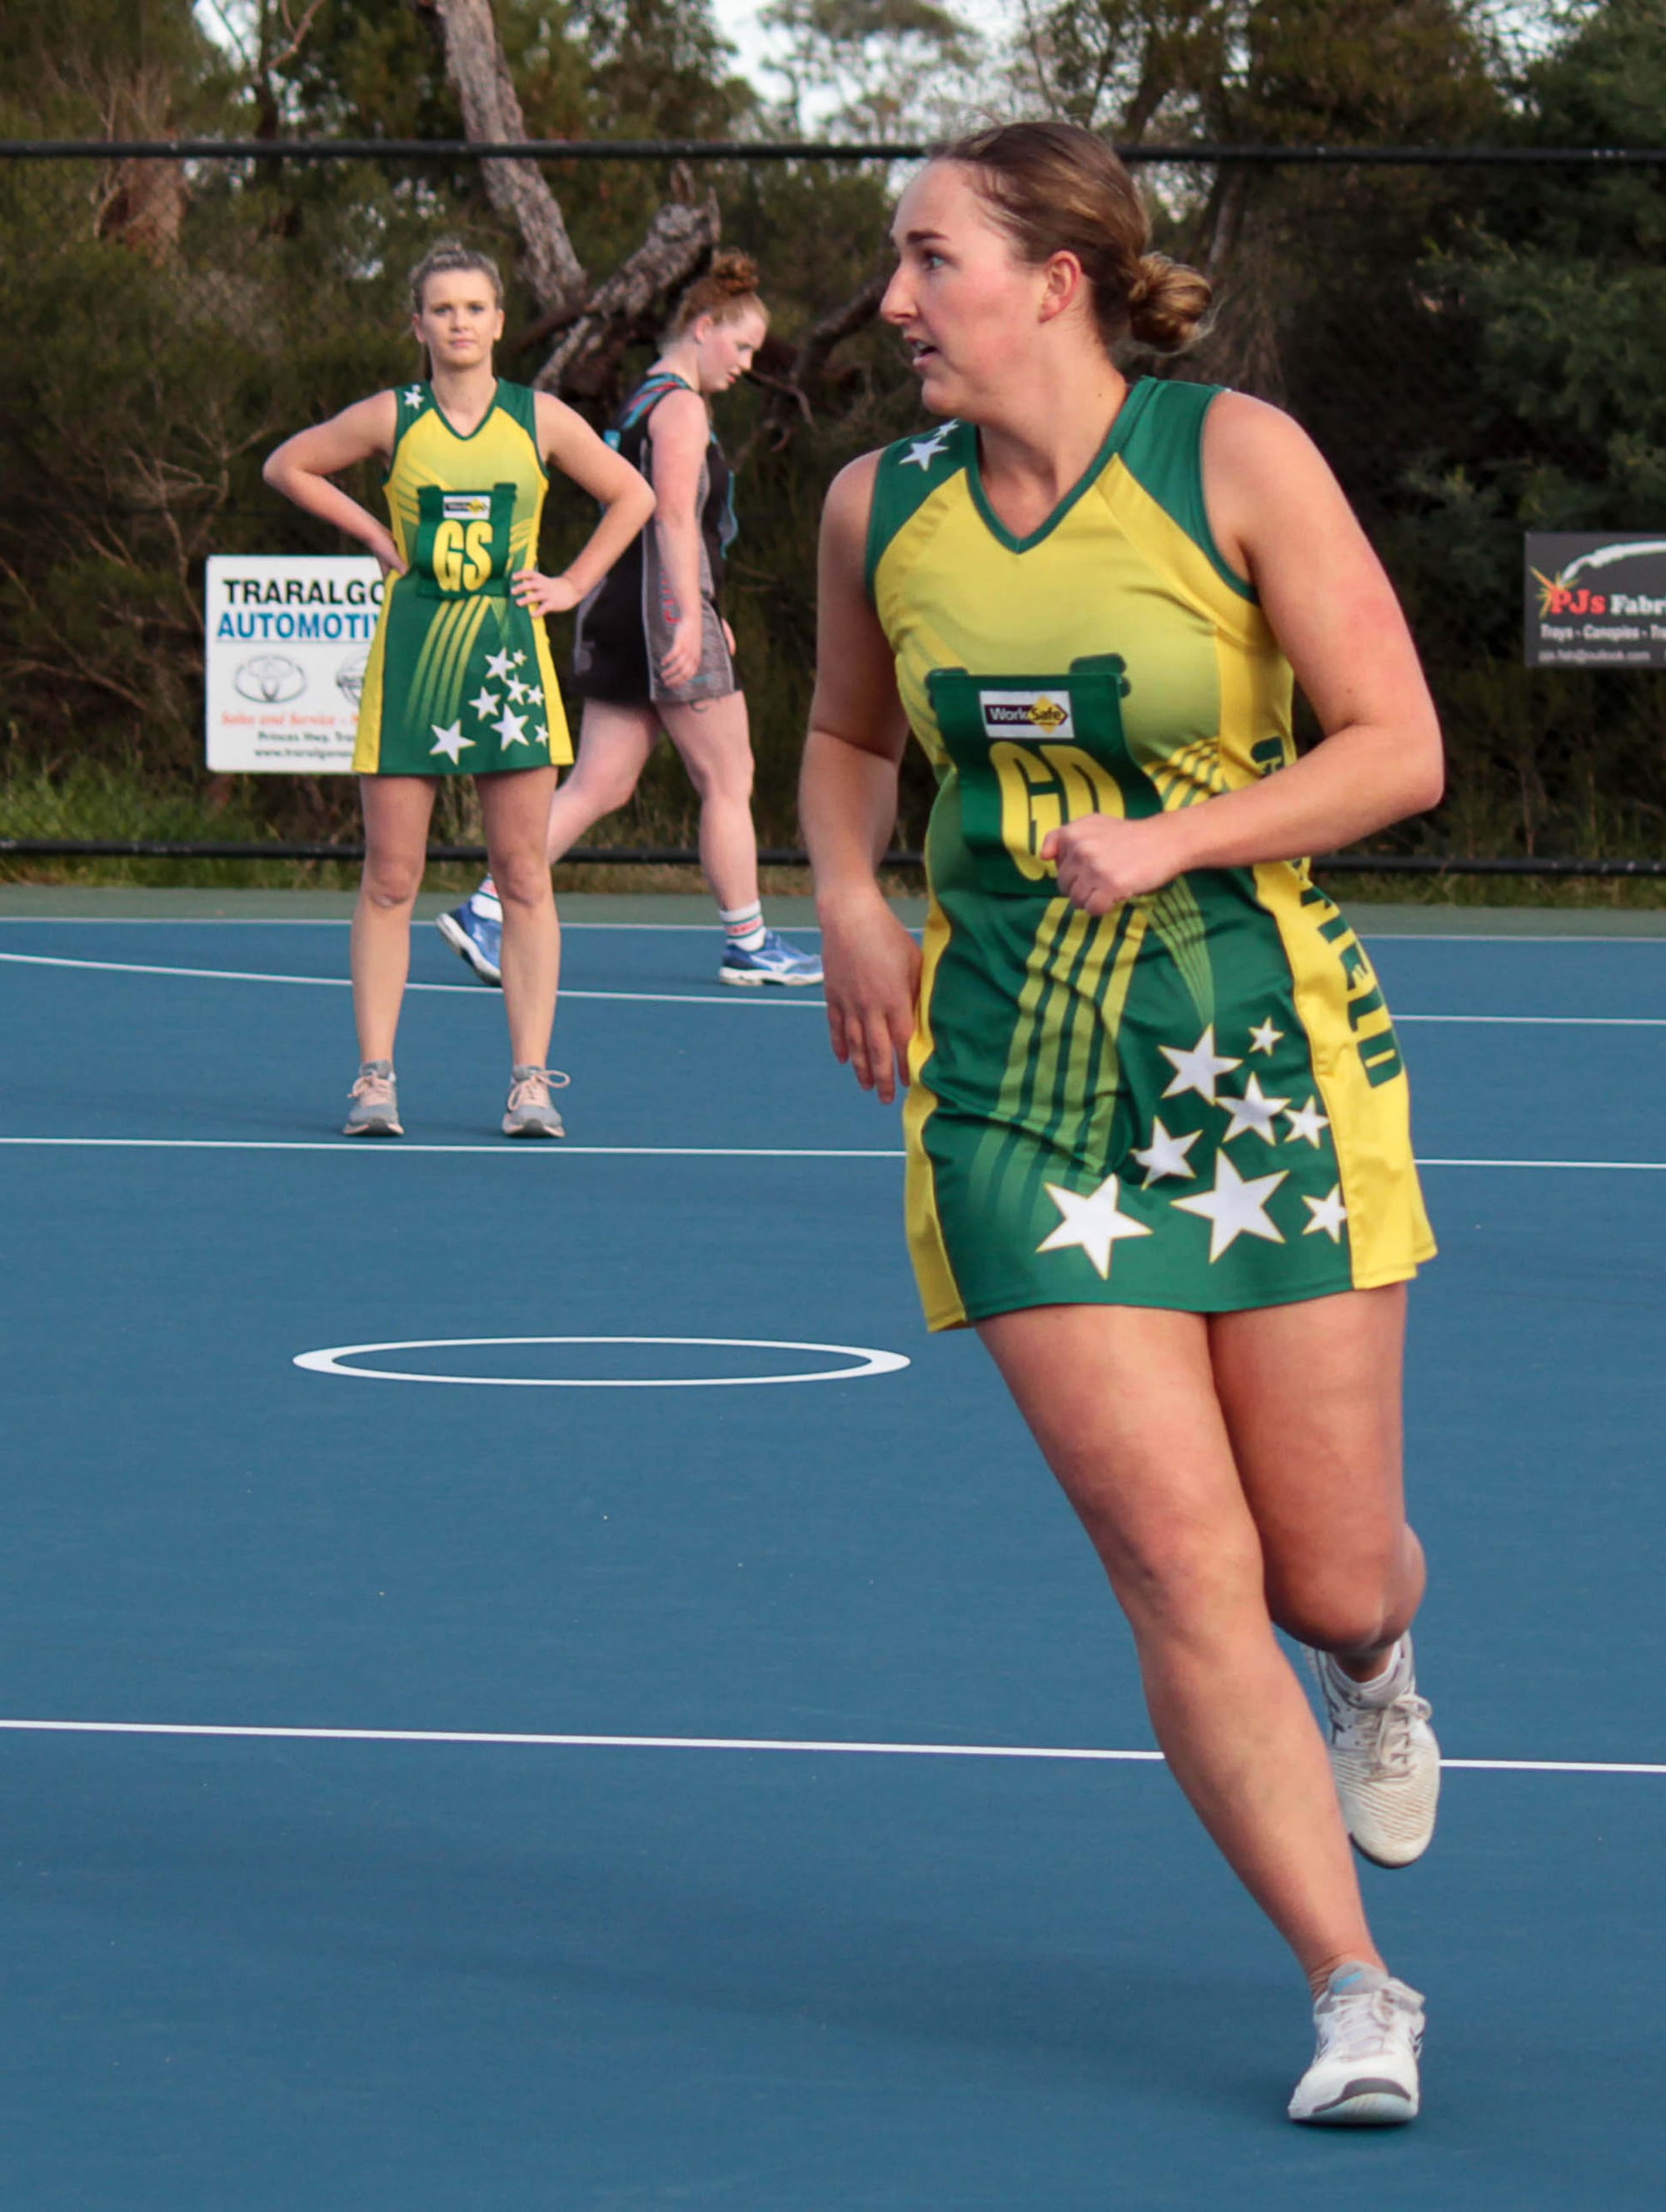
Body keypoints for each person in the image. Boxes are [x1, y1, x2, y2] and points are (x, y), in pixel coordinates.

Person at [800, 121, 1445, 2125]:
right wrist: (843, 895)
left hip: (1259, 1063)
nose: (892, 301)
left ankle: (1372, 1667)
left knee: (1318, 1573)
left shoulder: (1229, 457)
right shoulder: (870, 508)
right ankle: (1351, 1989)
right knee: (1172, 1558)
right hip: (1007, 1091)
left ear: (1051, 279)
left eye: (924, 261)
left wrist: (1177, 835)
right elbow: (838, 739)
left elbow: (1396, 749)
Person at [263, 238, 655, 1137]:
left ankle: (529, 1083)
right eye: (442, 308)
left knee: (522, 874)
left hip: (506, 657)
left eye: (474, 307)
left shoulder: (537, 417)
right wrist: (369, 529)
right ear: (417, 324)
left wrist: (568, 583)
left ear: (499, 322)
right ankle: (374, 1078)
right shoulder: (393, 416)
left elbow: (632, 496)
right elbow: (287, 464)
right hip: (413, 656)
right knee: (391, 876)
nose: (459, 322)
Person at [438, 251, 823, 991]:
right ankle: (749, 941)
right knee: (727, 774)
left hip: (620, 607)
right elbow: (673, 519)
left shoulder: (642, 401)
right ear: (703, 327)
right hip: (659, 612)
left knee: (599, 785)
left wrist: (703, 611)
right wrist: (688, 618)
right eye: (740, 346)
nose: (746, 364)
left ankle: (488, 907)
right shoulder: (679, 407)